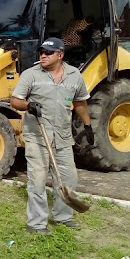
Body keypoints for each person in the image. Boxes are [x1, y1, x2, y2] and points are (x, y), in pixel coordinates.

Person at [10, 37, 93, 234]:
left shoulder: (74, 75)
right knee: (37, 180)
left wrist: (88, 126)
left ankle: (62, 217)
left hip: (63, 137)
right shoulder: (31, 74)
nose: (43, 55)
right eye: (41, 52)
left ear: (60, 55)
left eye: (48, 52)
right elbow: (15, 100)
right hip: (38, 136)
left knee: (67, 178)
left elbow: (80, 102)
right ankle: (36, 224)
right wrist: (28, 105)